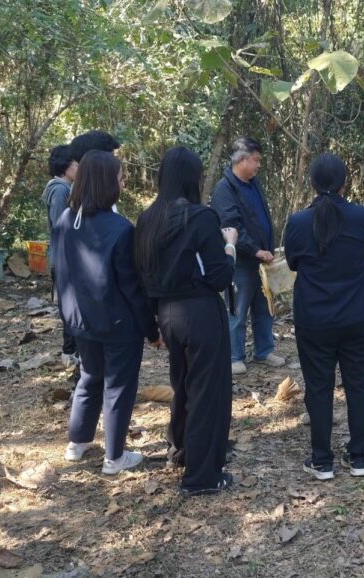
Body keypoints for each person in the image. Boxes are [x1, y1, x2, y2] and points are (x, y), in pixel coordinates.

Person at [136, 147, 239, 496]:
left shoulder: (148, 219)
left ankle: (180, 450)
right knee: (207, 392)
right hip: (200, 312)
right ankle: (202, 476)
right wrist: (230, 246)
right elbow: (219, 276)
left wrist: (152, 325)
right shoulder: (200, 217)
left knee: (182, 385)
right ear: (192, 179)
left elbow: (143, 276)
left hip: (167, 312)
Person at [51, 150, 160, 475]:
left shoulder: (65, 220)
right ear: (106, 183)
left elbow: (59, 273)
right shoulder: (120, 229)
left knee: (90, 377)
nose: (123, 184)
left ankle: (78, 442)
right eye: (121, 178)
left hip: (80, 320)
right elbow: (132, 287)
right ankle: (114, 456)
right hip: (117, 323)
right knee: (118, 386)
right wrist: (151, 329)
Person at [284, 153, 364, 480]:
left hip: (315, 317)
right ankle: (359, 457)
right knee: (358, 384)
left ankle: (322, 461)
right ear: (343, 182)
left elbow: (293, 262)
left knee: (319, 387)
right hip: (356, 314)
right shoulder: (361, 216)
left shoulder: (298, 222)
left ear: (312, 183)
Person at [210, 137, 285, 375]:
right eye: (256, 160)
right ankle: (234, 356)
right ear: (241, 160)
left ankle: (264, 350)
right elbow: (230, 226)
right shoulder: (224, 189)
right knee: (237, 309)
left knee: (264, 306)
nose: (258, 165)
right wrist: (254, 249)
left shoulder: (254, 183)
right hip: (241, 261)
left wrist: (267, 248)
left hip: (263, 260)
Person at [41, 144, 79, 369]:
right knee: (70, 307)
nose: (78, 168)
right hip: (63, 258)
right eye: (76, 164)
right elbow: (61, 226)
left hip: (63, 257)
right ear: (66, 166)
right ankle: (69, 351)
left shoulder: (64, 188)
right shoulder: (60, 190)